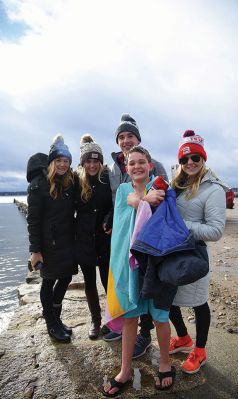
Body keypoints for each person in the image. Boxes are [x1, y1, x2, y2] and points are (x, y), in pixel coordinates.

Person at [102, 146, 175, 397]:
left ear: (150, 165)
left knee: (160, 316)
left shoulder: (162, 189)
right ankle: (125, 370)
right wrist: (145, 199)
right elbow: (133, 201)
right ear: (126, 168)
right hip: (130, 265)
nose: (136, 166)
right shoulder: (124, 190)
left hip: (156, 265)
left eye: (141, 162)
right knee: (130, 317)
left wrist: (157, 196)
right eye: (131, 163)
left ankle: (165, 363)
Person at [104, 113, 168, 360]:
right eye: (121, 136)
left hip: (154, 254)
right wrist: (143, 200)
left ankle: (157, 348)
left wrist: (152, 196)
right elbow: (124, 200)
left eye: (130, 135)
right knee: (132, 305)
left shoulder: (157, 173)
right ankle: (126, 365)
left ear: (149, 165)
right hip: (128, 250)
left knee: (160, 310)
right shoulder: (117, 177)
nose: (125, 139)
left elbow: (165, 202)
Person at [169, 130, 227, 374]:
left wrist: (182, 226)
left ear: (203, 158)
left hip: (194, 254)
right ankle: (183, 338)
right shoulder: (178, 184)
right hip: (171, 252)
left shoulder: (214, 190)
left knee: (198, 302)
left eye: (195, 157)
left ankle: (200, 350)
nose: (190, 162)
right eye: (184, 159)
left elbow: (215, 231)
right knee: (168, 299)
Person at [27, 135, 77, 343]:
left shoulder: (69, 182)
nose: (63, 164)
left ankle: (56, 316)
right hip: (48, 244)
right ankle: (51, 322)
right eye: (59, 160)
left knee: (65, 277)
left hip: (67, 241)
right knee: (48, 281)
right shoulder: (39, 185)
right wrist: (35, 250)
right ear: (51, 162)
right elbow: (33, 220)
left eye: (66, 161)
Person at [75, 135, 113, 339]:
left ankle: (111, 319)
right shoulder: (76, 181)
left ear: (101, 162)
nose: (92, 165)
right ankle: (95, 320)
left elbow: (116, 204)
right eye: (88, 161)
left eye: (95, 161)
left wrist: (109, 218)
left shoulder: (107, 178)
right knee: (89, 283)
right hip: (83, 239)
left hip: (105, 238)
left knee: (108, 282)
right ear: (82, 163)